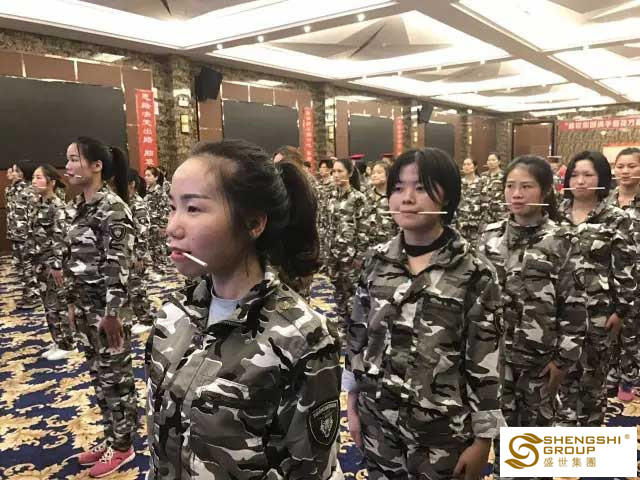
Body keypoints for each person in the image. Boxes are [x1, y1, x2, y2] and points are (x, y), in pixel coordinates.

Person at [146, 139, 341, 479]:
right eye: (173, 207)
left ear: (253, 223)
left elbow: (309, 469)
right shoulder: (173, 314)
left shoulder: (302, 339)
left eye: (193, 209)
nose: (172, 226)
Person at [345, 147, 504, 480]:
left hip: (443, 434)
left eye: (420, 187)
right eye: (398, 188)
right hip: (379, 422)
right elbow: (358, 336)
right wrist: (352, 403)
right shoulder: (376, 261)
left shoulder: (474, 272)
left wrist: (483, 439)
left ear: (447, 196)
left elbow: (485, 358)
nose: (407, 198)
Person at [478, 155, 587, 478]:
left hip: (540, 360)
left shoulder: (563, 240)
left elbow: (574, 302)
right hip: (494, 359)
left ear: (545, 191)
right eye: (510, 186)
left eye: (526, 186)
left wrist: (564, 359)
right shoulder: (489, 237)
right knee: (498, 433)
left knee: (533, 441)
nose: (516, 194)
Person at [64, 137, 137, 477]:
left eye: (74, 159)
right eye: (67, 159)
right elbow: (73, 259)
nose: (67, 167)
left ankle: (123, 447)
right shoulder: (81, 206)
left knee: (116, 381)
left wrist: (112, 313)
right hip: (87, 309)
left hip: (109, 313)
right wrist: (72, 304)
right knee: (100, 379)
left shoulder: (112, 208)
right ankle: (111, 438)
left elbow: (119, 264)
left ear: (96, 166)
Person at [556, 150, 637, 427]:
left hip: (598, 314)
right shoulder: (554, 214)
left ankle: (590, 436)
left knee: (591, 382)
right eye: (575, 175)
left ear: (601, 178)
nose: (580, 181)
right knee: (559, 380)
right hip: (557, 313)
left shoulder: (616, 218)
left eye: (588, 175)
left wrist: (621, 310)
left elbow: (626, 268)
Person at [29, 164, 76, 360]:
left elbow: (60, 238)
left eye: (39, 177)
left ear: (51, 182)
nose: (34, 181)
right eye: (33, 177)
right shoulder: (37, 204)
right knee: (48, 304)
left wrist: (57, 265)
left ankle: (68, 343)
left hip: (54, 264)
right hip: (40, 262)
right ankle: (58, 339)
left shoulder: (57, 206)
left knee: (59, 303)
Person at [605, 147, 640, 401]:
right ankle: (611, 373)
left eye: (632, 166)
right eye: (620, 166)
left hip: (636, 277)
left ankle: (630, 377)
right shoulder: (605, 201)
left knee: (633, 330)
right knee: (609, 328)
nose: (625, 171)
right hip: (607, 277)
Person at [325, 157, 367, 341]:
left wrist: (360, 254)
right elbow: (324, 223)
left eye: (340, 171)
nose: (335, 175)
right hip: (333, 252)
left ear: (349, 173)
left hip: (350, 254)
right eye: (333, 171)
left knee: (353, 292)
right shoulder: (330, 196)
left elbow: (364, 228)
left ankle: (357, 327)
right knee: (337, 290)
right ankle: (343, 324)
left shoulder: (358, 198)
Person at [8, 160, 40, 311]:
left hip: (27, 237)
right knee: (20, 267)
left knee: (29, 268)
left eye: (15, 170)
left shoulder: (30, 191)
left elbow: (34, 215)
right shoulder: (13, 190)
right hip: (16, 235)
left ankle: (34, 296)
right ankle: (27, 294)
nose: (12, 173)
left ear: (22, 173)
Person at [127, 169, 154, 334]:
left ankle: (146, 319)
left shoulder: (138, 204)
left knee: (137, 288)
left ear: (132, 184)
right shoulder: (124, 202)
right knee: (129, 289)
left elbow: (143, 232)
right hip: (126, 253)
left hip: (136, 254)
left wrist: (139, 255)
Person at [363, 160, 397, 249]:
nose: (374, 175)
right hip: (368, 245)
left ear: (388, 175)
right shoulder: (365, 195)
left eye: (379, 172)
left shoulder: (394, 196)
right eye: (373, 173)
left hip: (388, 246)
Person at [144, 166, 170, 277]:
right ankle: (155, 270)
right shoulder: (146, 191)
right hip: (149, 225)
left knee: (159, 249)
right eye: (145, 175)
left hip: (158, 225)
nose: (146, 177)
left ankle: (162, 270)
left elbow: (165, 209)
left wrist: (163, 226)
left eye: (149, 175)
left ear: (156, 177)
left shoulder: (160, 192)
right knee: (151, 249)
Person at [456, 157, 484, 244]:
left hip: (476, 223)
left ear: (475, 167)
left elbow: (485, 203)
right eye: (464, 164)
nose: (466, 167)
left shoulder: (481, 182)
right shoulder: (459, 183)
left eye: (468, 164)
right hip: (462, 223)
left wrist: (483, 222)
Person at [481, 152, 506, 227]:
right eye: (489, 160)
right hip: (485, 214)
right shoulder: (483, 176)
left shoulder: (504, 176)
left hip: (499, 213)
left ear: (499, 162)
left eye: (493, 160)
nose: (491, 162)